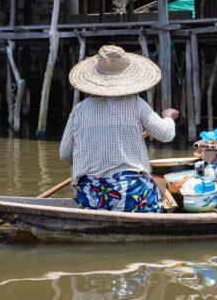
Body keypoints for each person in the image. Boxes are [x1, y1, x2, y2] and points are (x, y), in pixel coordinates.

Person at [61, 45, 178, 213]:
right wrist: (168, 116)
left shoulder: (80, 109)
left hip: (91, 195)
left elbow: (64, 153)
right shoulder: (136, 104)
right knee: (162, 195)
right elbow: (167, 135)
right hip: (130, 193)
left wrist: (92, 159)